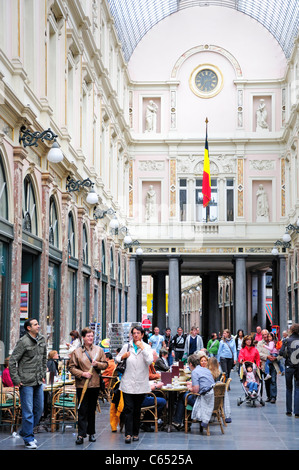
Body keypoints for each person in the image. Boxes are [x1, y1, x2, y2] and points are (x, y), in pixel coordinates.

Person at [9, 318, 47, 449]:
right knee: (28, 411)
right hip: (26, 382)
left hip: (38, 381)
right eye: (35, 324)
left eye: (38, 323)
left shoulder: (42, 339)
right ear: (28, 328)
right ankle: (28, 438)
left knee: (39, 409)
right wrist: (16, 380)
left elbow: (44, 358)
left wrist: (42, 374)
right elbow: (12, 361)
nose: (38, 326)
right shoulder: (23, 342)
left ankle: (25, 431)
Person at [68, 327, 108, 445]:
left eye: (92, 336)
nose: (90, 338)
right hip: (82, 385)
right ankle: (81, 434)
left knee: (91, 410)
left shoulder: (99, 350)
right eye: (88, 336)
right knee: (82, 409)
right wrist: (82, 374)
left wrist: (97, 364)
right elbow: (71, 367)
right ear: (83, 338)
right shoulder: (77, 352)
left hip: (94, 384)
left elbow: (105, 365)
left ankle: (91, 433)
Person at [116, 326, 153, 444]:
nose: (136, 335)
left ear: (142, 335)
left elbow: (149, 361)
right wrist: (122, 356)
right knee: (128, 409)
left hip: (141, 383)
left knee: (137, 409)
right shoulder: (127, 346)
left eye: (138, 333)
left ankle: (136, 433)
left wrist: (143, 349)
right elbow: (116, 359)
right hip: (127, 383)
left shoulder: (146, 347)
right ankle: (128, 434)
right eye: (134, 333)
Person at [172, 353, 215, 430]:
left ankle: (178, 421)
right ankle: (181, 422)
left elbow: (196, 390)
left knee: (183, 396)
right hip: (211, 398)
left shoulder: (194, 372)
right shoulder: (205, 369)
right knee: (186, 396)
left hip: (204, 400)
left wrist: (189, 388)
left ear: (190, 364)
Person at [279, 323, 299, 417]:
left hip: (289, 366)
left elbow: (281, 352)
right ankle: (297, 411)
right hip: (298, 366)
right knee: (298, 388)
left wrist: (287, 356)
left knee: (289, 388)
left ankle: (288, 410)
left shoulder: (286, 341)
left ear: (291, 330)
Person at [257, 329, 278, 403]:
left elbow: (278, 350)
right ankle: (269, 396)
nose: (265, 336)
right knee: (267, 381)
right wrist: (267, 356)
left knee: (273, 380)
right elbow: (259, 353)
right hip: (265, 364)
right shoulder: (260, 343)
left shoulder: (273, 341)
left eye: (266, 334)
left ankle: (273, 397)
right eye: (263, 335)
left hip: (273, 363)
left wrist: (275, 357)